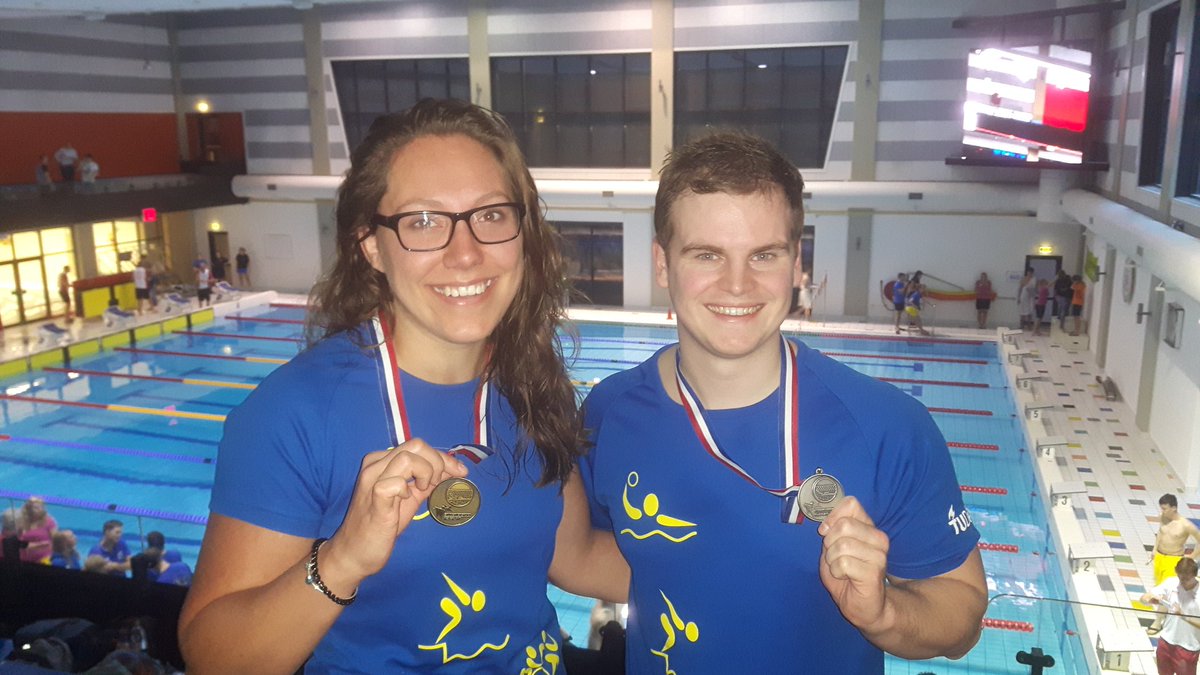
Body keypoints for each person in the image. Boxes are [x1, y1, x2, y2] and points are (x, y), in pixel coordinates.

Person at [178, 98, 628, 674]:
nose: (465, 253)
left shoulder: (534, 383)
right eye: (422, 222)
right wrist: (341, 559)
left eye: (490, 214)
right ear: (371, 245)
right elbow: (215, 659)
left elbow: (576, 558)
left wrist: (742, 562)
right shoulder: (294, 416)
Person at [580, 132, 986, 673]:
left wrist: (883, 613)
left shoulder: (887, 426)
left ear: (797, 265)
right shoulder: (609, 414)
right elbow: (586, 552)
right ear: (662, 263)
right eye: (707, 254)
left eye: (764, 255)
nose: (737, 284)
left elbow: (961, 612)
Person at [1147, 495, 1200, 635]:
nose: (1162, 511)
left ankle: (1158, 621)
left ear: (1174, 508)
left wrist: (1191, 557)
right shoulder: (1164, 518)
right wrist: (1154, 549)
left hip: (1173, 560)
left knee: (1166, 592)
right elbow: (1160, 533)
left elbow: (1199, 540)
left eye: (1164, 509)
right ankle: (1163, 616)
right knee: (1158, 588)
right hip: (1159, 557)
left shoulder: (1186, 525)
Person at [1140, 557, 1200, 674]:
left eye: (1186, 579)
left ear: (1194, 575)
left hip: (1188, 647)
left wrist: (1184, 616)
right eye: (1180, 578)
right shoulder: (1171, 582)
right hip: (1166, 641)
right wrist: (1148, 599)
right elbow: (1143, 598)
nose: (1182, 582)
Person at [18, 496, 57, 564]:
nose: (39, 509)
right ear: (29, 509)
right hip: (25, 559)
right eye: (36, 507)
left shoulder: (49, 521)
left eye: (41, 507)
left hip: (44, 559)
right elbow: (18, 542)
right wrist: (39, 544)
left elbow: (56, 540)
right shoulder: (22, 522)